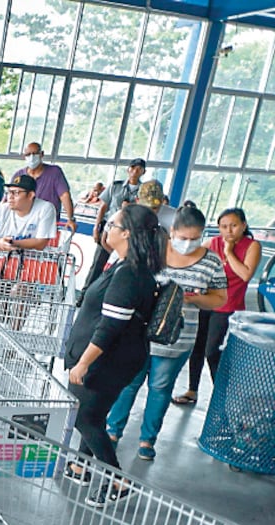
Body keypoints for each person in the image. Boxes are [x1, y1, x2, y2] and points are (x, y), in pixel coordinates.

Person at [105, 202, 226, 461]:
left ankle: (148, 440)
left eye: (195, 239)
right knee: (128, 383)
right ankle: (112, 431)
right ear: (172, 231)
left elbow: (219, 298)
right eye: (183, 238)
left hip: (177, 339)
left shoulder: (211, 262)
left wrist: (194, 299)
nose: (188, 243)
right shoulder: (153, 251)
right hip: (139, 334)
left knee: (160, 388)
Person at [64, 203, 162, 506]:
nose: (107, 228)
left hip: (107, 362)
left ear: (127, 233)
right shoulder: (122, 264)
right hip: (112, 360)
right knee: (92, 413)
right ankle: (81, 465)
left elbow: (109, 328)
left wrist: (83, 363)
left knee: (84, 417)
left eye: (112, 224)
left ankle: (117, 480)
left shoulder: (130, 274)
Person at [173, 207, 263, 408]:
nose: (228, 230)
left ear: (243, 226)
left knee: (212, 350)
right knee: (197, 347)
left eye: (233, 225)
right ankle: (192, 390)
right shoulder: (212, 243)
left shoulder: (252, 246)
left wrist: (229, 251)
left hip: (228, 305)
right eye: (223, 226)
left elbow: (245, 274)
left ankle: (221, 395)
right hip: (206, 300)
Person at [89, 158, 147, 284]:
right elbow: (103, 207)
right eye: (133, 168)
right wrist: (96, 227)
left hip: (129, 232)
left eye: (139, 169)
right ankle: (84, 296)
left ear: (143, 172)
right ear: (128, 169)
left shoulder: (144, 192)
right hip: (109, 229)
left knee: (119, 265)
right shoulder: (116, 186)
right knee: (98, 263)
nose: (135, 171)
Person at [0, 173, 56, 251]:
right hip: (1, 261)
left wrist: (11, 243)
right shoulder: (2, 210)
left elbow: (40, 243)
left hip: (33, 263)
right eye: (8, 192)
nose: (10, 197)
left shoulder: (45, 208)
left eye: (15, 193)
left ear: (30, 195)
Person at [13, 142, 75, 232]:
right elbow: (9, 199)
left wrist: (70, 219)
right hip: (22, 224)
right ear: (24, 156)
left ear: (41, 154)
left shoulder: (54, 172)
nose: (31, 157)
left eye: (34, 154)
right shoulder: (19, 175)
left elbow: (65, 196)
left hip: (47, 224)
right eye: (28, 154)